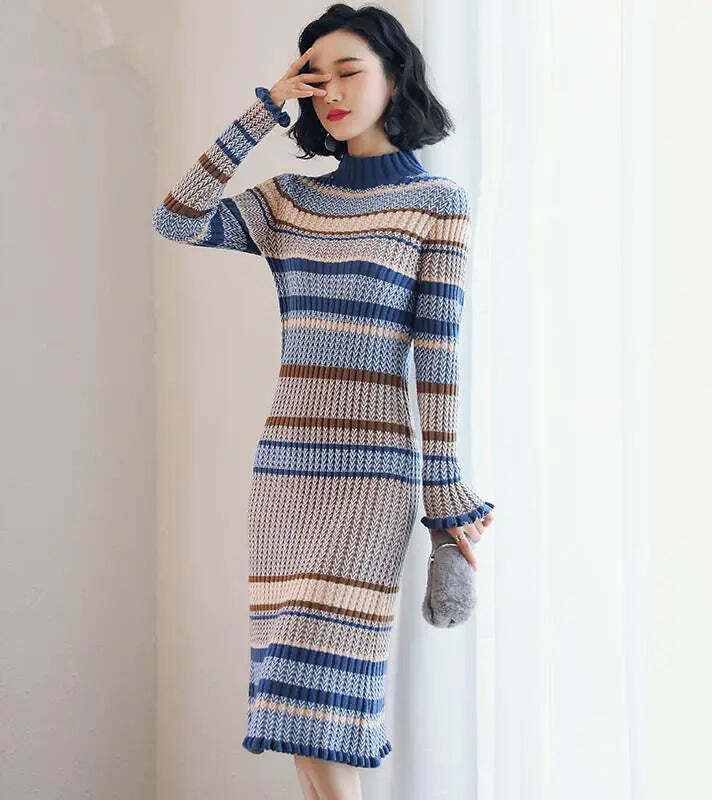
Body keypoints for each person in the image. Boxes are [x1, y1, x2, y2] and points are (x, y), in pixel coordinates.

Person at [153, 4, 495, 798]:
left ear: (394, 77)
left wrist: (443, 487)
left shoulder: (436, 203)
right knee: (290, 689)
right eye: (316, 78)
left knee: (336, 693)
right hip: (286, 474)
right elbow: (176, 219)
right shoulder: (289, 201)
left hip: (372, 475)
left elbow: (437, 359)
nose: (332, 93)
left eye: (349, 72)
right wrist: (264, 108)